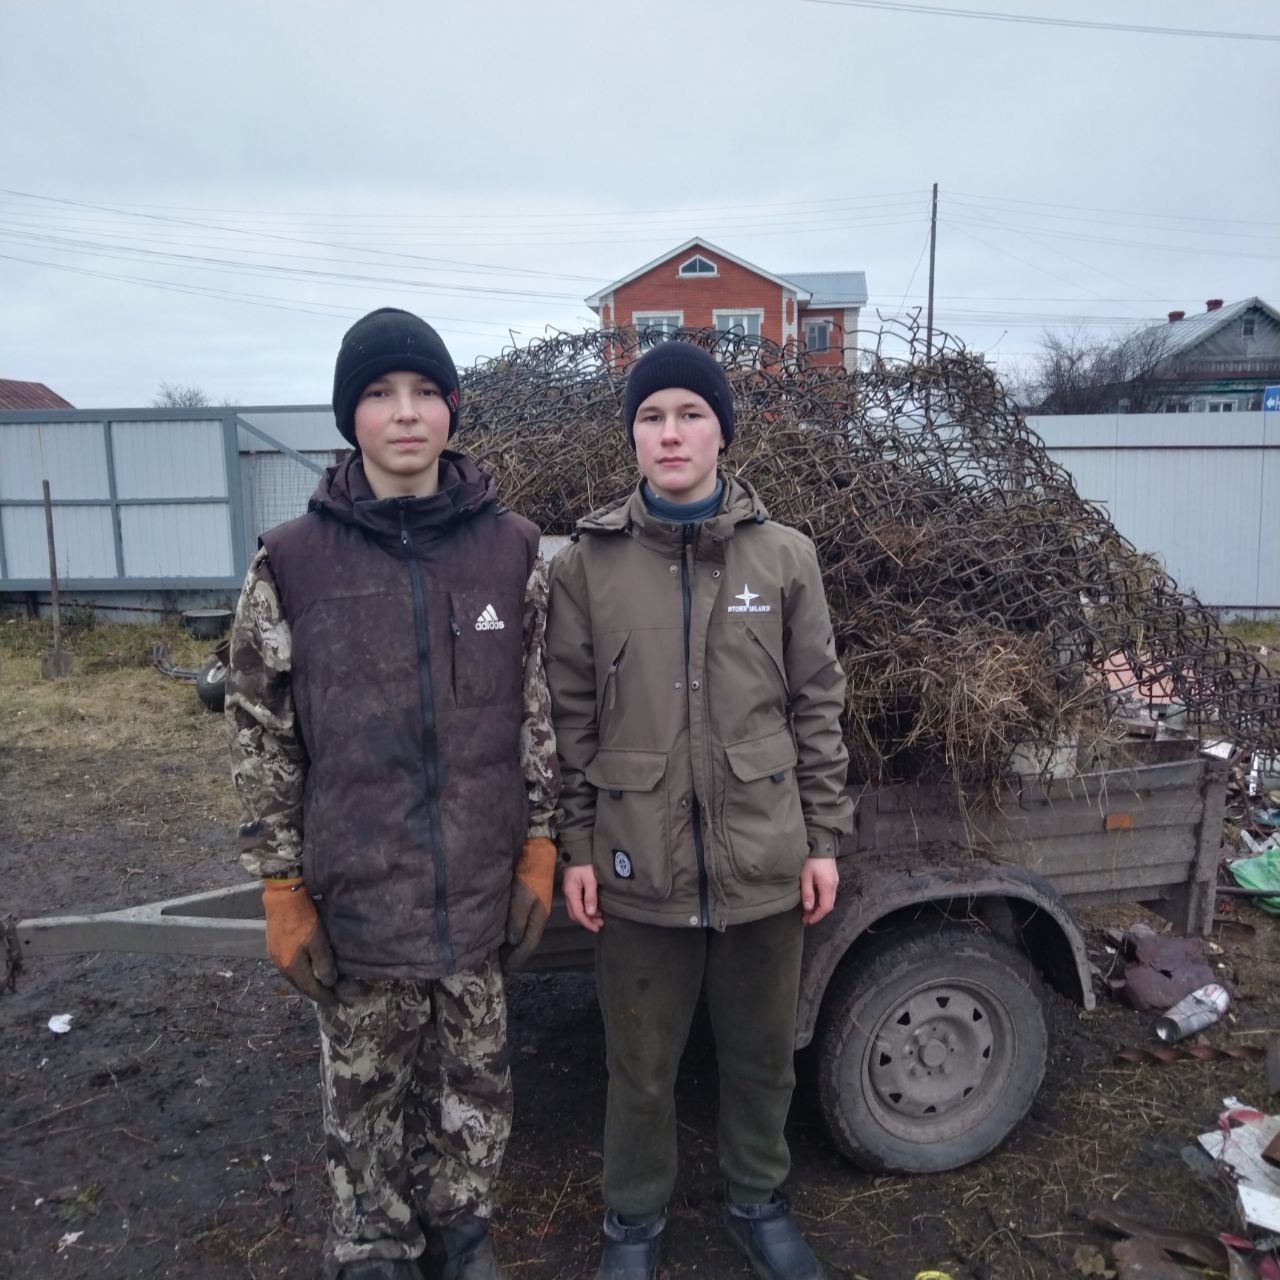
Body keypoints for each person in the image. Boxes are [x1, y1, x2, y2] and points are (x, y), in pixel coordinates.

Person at [226, 307, 559, 1280]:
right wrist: (280, 883)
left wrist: (540, 841)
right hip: (359, 891)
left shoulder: (511, 550)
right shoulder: (291, 561)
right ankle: (372, 1243)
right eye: (379, 394)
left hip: (477, 892)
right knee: (365, 1094)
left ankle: (461, 1231)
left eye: (423, 392)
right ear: (350, 416)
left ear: (451, 410)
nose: (404, 413)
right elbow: (260, 731)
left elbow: (535, 707)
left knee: (475, 1088)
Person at [545, 341, 853, 1280]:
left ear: (722, 428)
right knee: (639, 1068)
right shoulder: (586, 566)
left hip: (765, 853)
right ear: (631, 436)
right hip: (639, 862)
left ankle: (758, 1202)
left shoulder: (785, 555)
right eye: (650, 416)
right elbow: (566, 720)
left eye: (689, 413)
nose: (670, 432)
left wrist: (824, 837)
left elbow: (817, 701)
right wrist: (578, 845)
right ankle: (632, 1225)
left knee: (761, 1057)